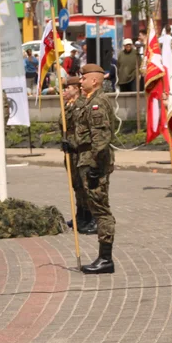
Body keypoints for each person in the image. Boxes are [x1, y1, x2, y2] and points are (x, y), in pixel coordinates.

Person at [75, 64, 116, 274]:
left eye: (83, 79)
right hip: (88, 160)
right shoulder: (90, 102)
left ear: (95, 81)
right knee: (97, 208)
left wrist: (94, 167)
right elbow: (86, 134)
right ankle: (103, 258)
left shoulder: (97, 103)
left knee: (101, 211)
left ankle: (106, 259)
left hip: (95, 164)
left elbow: (100, 140)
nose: (80, 81)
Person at [61, 76, 94, 234]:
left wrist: (73, 143)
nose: (65, 90)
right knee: (76, 186)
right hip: (71, 152)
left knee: (85, 186)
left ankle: (90, 217)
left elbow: (81, 129)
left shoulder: (81, 105)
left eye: (68, 88)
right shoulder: (68, 106)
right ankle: (80, 215)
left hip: (79, 151)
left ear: (75, 88)